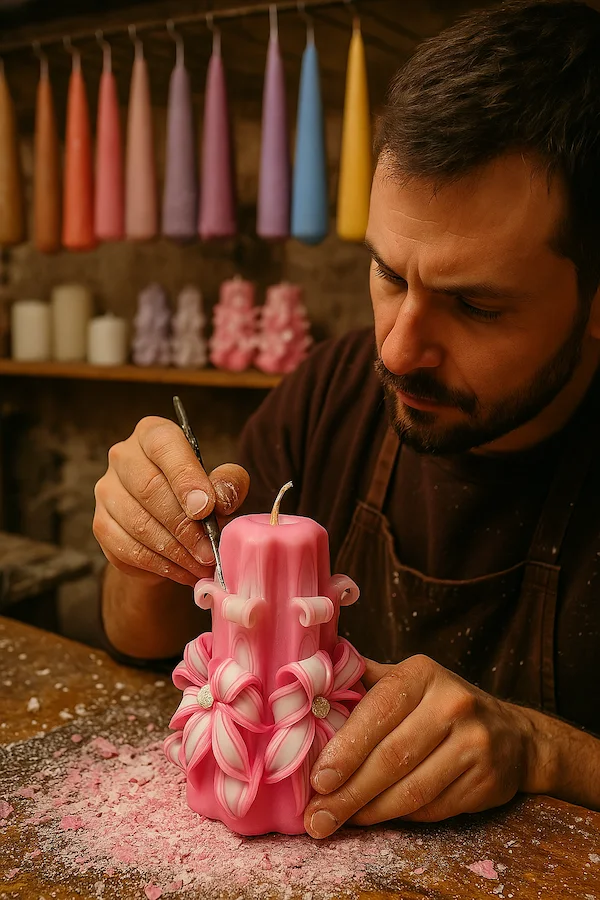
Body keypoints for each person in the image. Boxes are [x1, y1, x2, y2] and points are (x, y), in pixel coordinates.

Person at [93, 0, 600, 838]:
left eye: (474, 305)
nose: (400, 351)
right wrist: (143, 555)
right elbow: (142, 639)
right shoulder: (333, 392)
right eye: (390, 274)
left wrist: (543, 748)